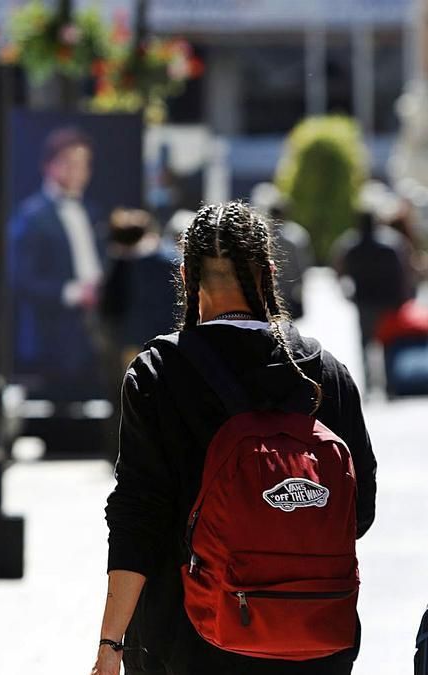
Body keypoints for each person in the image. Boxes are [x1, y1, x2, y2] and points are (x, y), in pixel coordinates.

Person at [94, 202, 377, 675]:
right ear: (267, 273)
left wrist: (110, 643)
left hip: (186, 639)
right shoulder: (326, 374)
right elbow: (359, 511)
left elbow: (136, 519)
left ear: (185, 277)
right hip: (311, 639)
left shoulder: (158, 374)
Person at [9, 126, 106, 399]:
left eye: (84, 164)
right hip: (50, 337)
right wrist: (74, 293)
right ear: (49, 165)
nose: (78, 171)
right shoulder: (31, 216)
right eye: (70, 163)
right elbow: (21, 279)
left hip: (91, 332)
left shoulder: (92, 211)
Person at [331, 210, 411, 392]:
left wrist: (345, 291)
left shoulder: (350, 244)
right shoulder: (390, 243)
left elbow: (339, 268)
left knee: (365, 343)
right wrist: (403, 297)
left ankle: (369, 383)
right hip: (387, 301)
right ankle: (389, 383)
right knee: (388, 342)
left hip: (364, 300)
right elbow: (402, 273)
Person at [100, 208, 180, 371]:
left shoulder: (121, 264)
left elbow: (109, 305)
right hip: (162, 337)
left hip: (134, 338)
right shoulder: (170, 261)